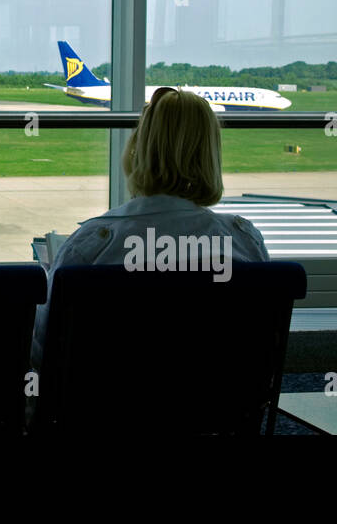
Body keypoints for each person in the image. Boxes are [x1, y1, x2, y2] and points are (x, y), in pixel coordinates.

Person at [29, 87, 269, 381]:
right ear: (211, 155)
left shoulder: (92, 245)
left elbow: (43, 350)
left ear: (137, 149)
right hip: (222, 413)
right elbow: (264, 344)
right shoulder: (244, 242)